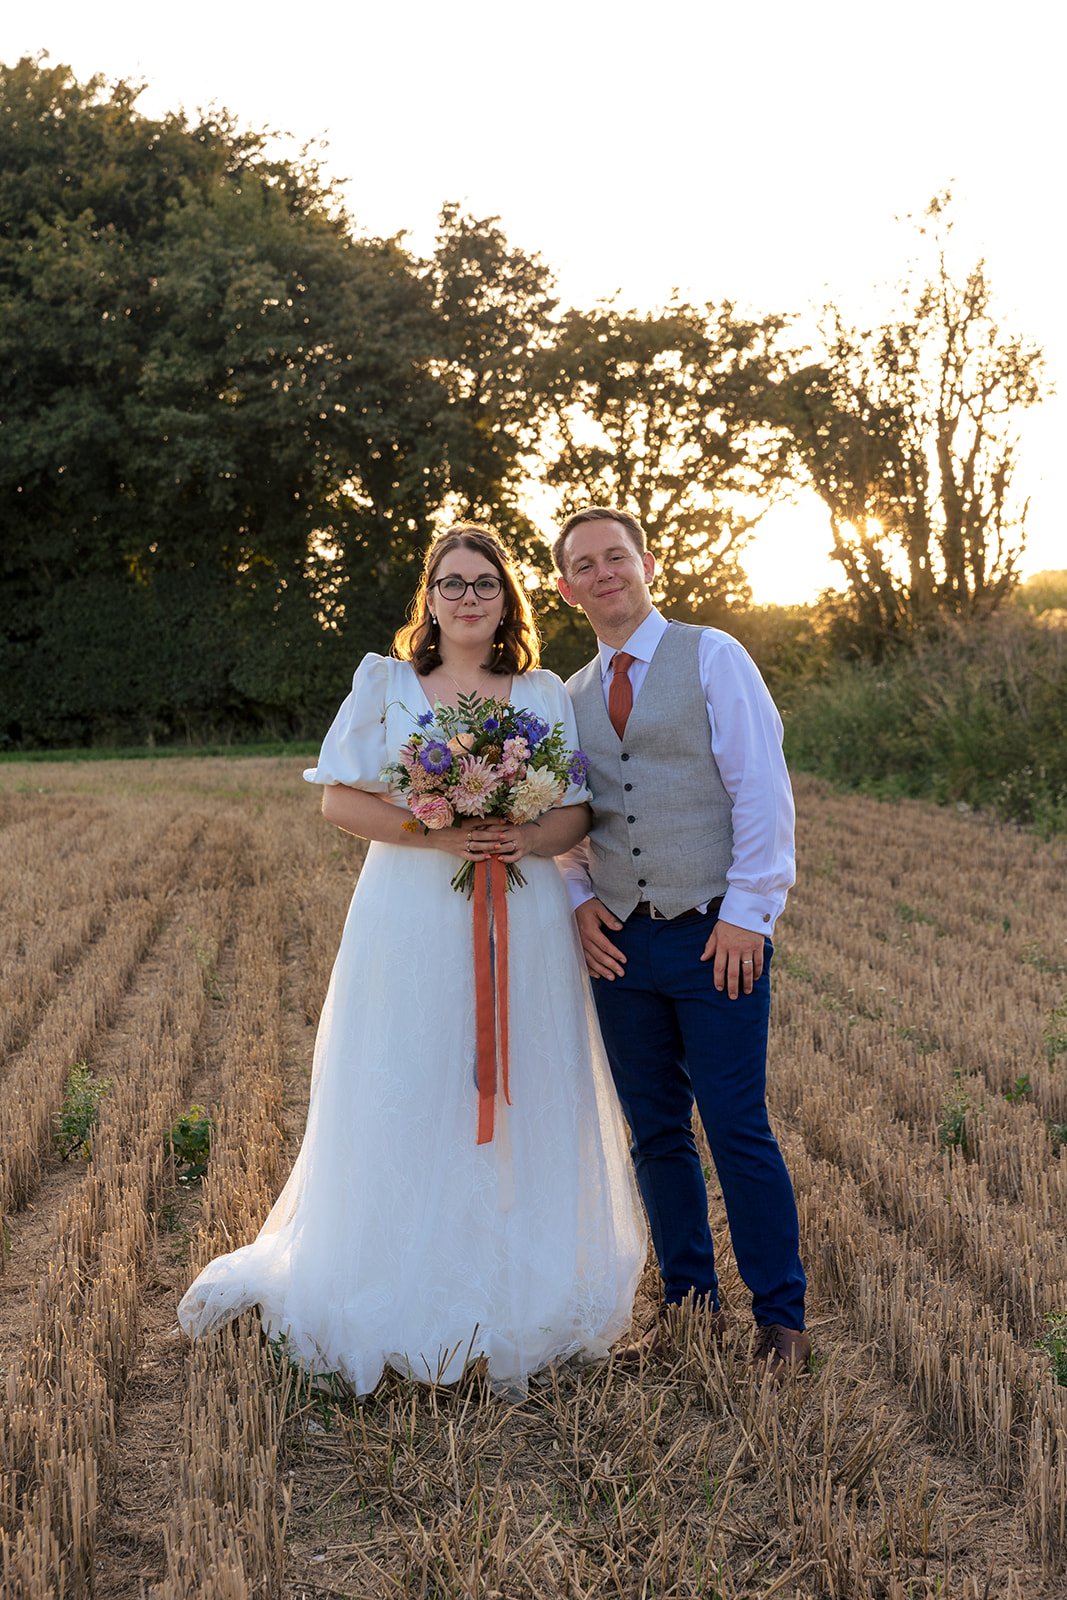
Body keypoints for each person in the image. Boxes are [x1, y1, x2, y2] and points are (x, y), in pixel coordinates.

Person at [178, 525, 645, 1397]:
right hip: (411, 912)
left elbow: (576, 815)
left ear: (508, 600)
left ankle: (519, 1277)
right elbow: (339, 804)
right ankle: (397, 1277)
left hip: (525, 910)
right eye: (451, 584)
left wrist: (519, 835)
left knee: (526, 1083)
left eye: (485, 585)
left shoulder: (542, 691)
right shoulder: (387, 684)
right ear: (427, 600)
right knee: (411, 1071)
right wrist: (438, 833)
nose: (468, 598)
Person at [553, 506, 810, 1376]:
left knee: (738, 1127)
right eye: (583, 565)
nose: (602, 574)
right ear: (564, 588)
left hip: (714, 934)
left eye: (614, 557)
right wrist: (581, 900)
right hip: (623, 945)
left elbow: (760, 791)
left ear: (647, 564)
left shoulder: (713, 655)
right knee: (656, 1132)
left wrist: (748, 913)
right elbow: (570, 820)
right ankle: (689, 1305)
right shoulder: (571, 695)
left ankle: (779, 1319)